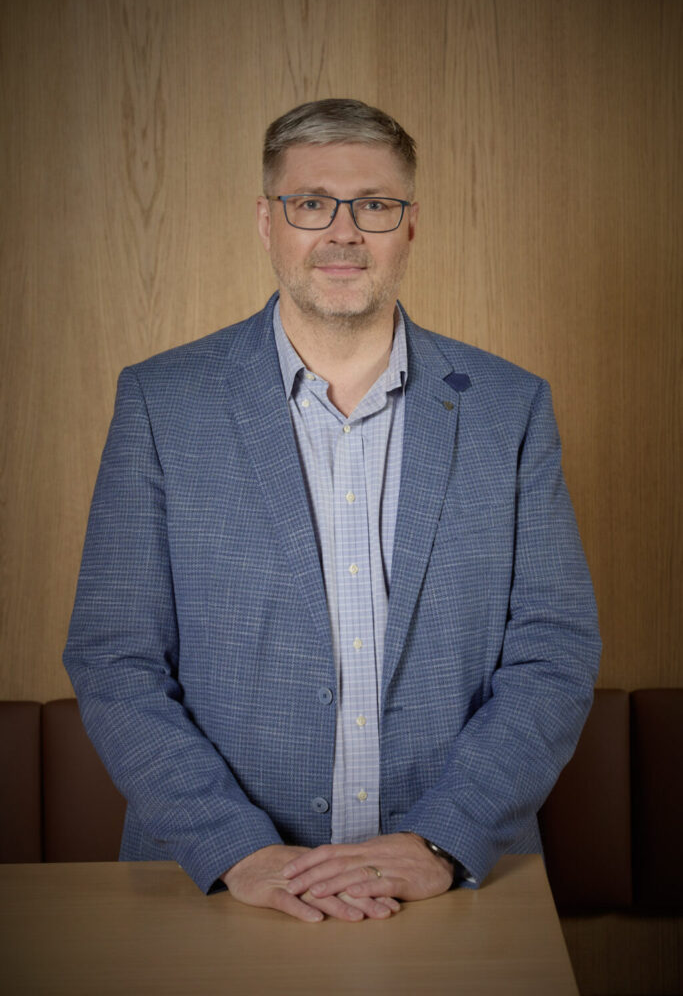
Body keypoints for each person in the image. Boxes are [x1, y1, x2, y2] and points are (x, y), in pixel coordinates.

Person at [63, 98, 601, 924]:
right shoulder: (161, 401)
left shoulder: (508, 406)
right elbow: (115, 658)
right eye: (311, 203)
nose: (342, 233)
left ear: (409, 224)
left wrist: (442, 840)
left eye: (373, 205)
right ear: (266, 222)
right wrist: (233, 847)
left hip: (451, 887)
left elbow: (552, 653)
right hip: (220, 888)